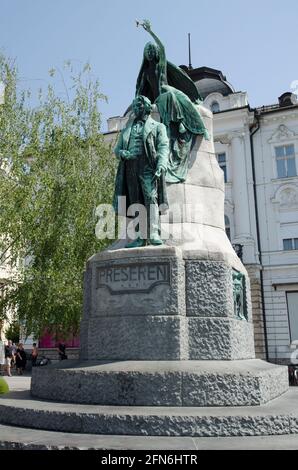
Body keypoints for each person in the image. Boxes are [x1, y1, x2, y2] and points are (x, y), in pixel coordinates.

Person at [135, 19, 209, 183]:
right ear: (145, 55)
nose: (150, 52)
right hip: (158, 99)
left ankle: (186, 123)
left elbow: (163, 48)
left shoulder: (160, 66)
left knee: (176, 95)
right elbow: (140, 90)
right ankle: (180, 123)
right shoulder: (146, 72)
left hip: (166, 92)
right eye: (147, 51)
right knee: (168, 95)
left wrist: (150, 32)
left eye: (151, 50)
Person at [113, 95, 169, 247]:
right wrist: (122, 153)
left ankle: (153, 233)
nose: (135, 108)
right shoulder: (127, 129)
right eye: (134, 106)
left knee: (151, 198)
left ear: (146, 107)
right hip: (130, 167)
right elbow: (117, 149)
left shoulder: (158, 127)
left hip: (148, 167)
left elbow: (163, 146)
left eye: (138, 106)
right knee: (136, 201)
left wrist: (161, 164)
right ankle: (139, 236)